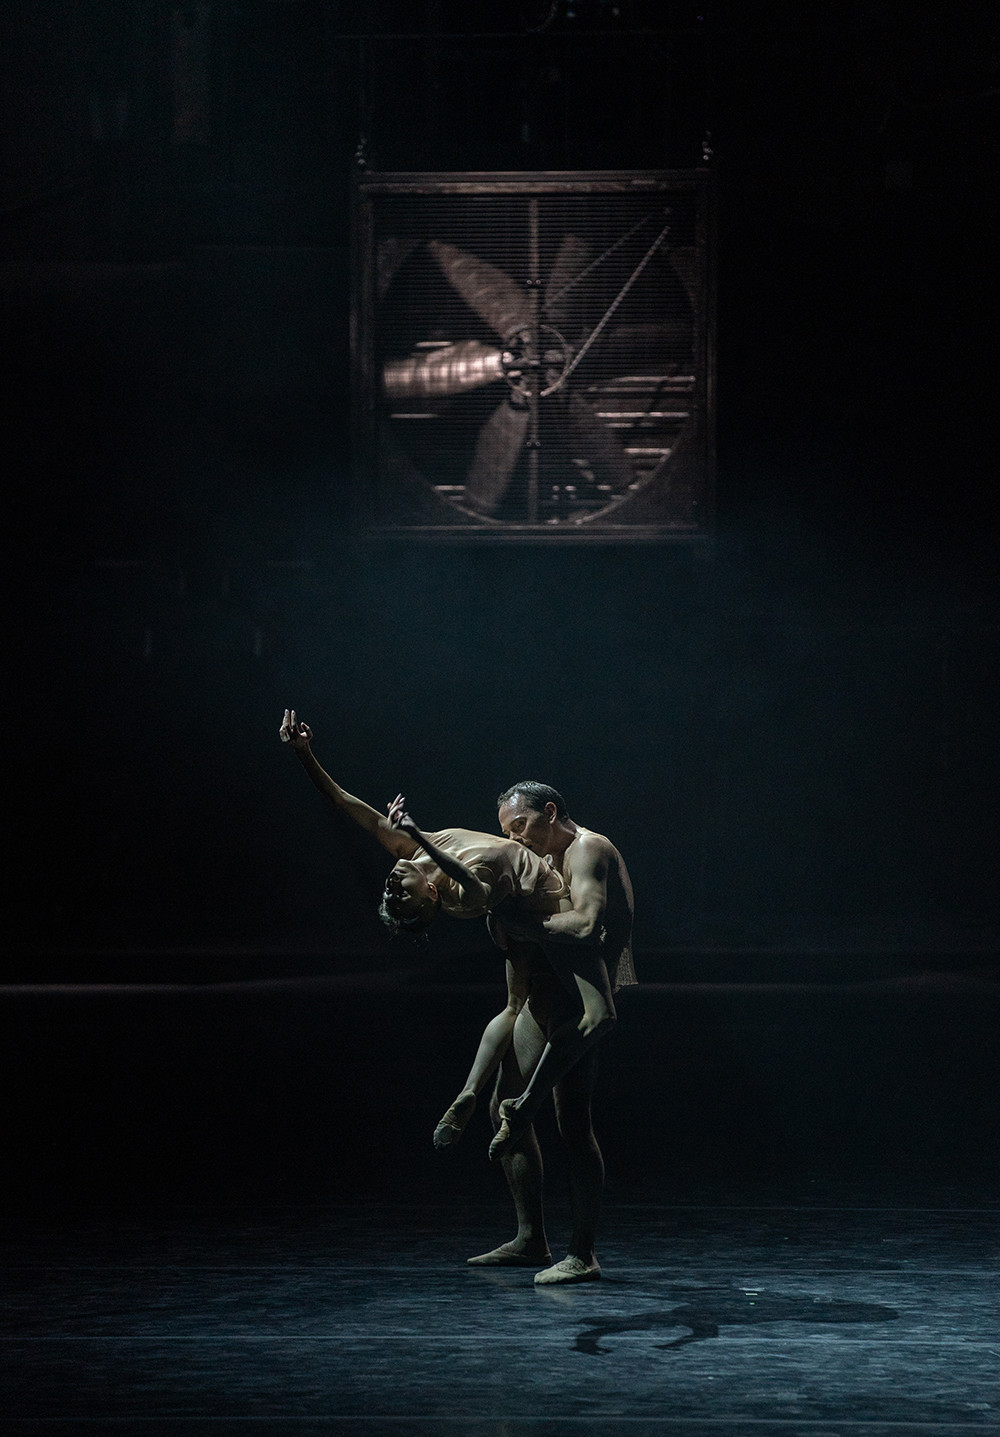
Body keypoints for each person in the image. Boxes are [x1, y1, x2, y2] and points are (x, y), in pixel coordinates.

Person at [457, 780, 635, 1286]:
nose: (516, 838)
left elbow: (584, 926)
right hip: (544, 991)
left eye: (521, 825)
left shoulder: (587, 848)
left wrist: (520, 921)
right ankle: (531, 1237)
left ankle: (583, 1253)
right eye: (507, 831)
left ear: (550, 811)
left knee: (571, 1122)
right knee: (503, 1107)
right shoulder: (534, 861)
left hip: (583, 1001)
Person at [278, 711, 568, 938]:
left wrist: (303, 752)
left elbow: (342, 801)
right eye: (401, 893)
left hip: (550, 897)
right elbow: (468, 877)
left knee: (526, 1010)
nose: (391, 886)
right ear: (430, 892)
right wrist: (417, 833)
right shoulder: (462, 901)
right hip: (550, 912)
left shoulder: (412, 851)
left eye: (387, 893)